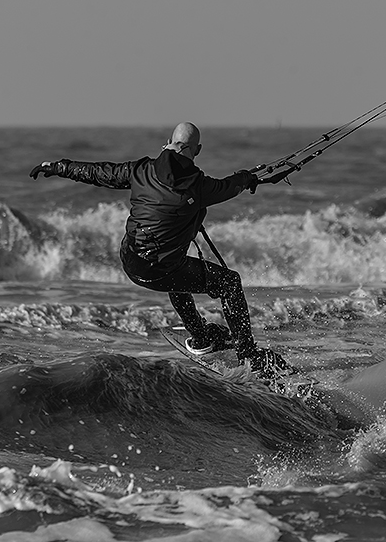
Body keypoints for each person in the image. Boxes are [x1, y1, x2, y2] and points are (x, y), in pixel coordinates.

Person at [29, 122, 290, 378]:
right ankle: (248, 355)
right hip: (163, 270)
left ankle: (200, 339)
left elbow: (98, 172)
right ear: (197, 151)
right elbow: (231, 185)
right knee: (229, 283)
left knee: (176, 269)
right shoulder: (199, 185)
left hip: (131, 262)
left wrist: (58, 167)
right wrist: (248, 178)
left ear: (168, 143)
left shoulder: (141, 170)